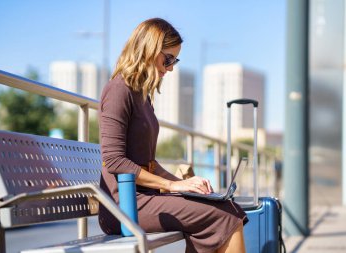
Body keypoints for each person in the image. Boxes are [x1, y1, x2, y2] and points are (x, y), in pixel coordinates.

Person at [98, 17, 248, 253]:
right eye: (167, 59)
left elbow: (149, 164)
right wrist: (170, 185)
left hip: (144, 198)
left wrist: (182, 184)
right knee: (224, 216)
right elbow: (115, 161)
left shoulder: (142, 97)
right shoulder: (119, 90)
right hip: (123, 205)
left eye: (174, 61)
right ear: (148, 49)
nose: (169, 68)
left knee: (227, 208)